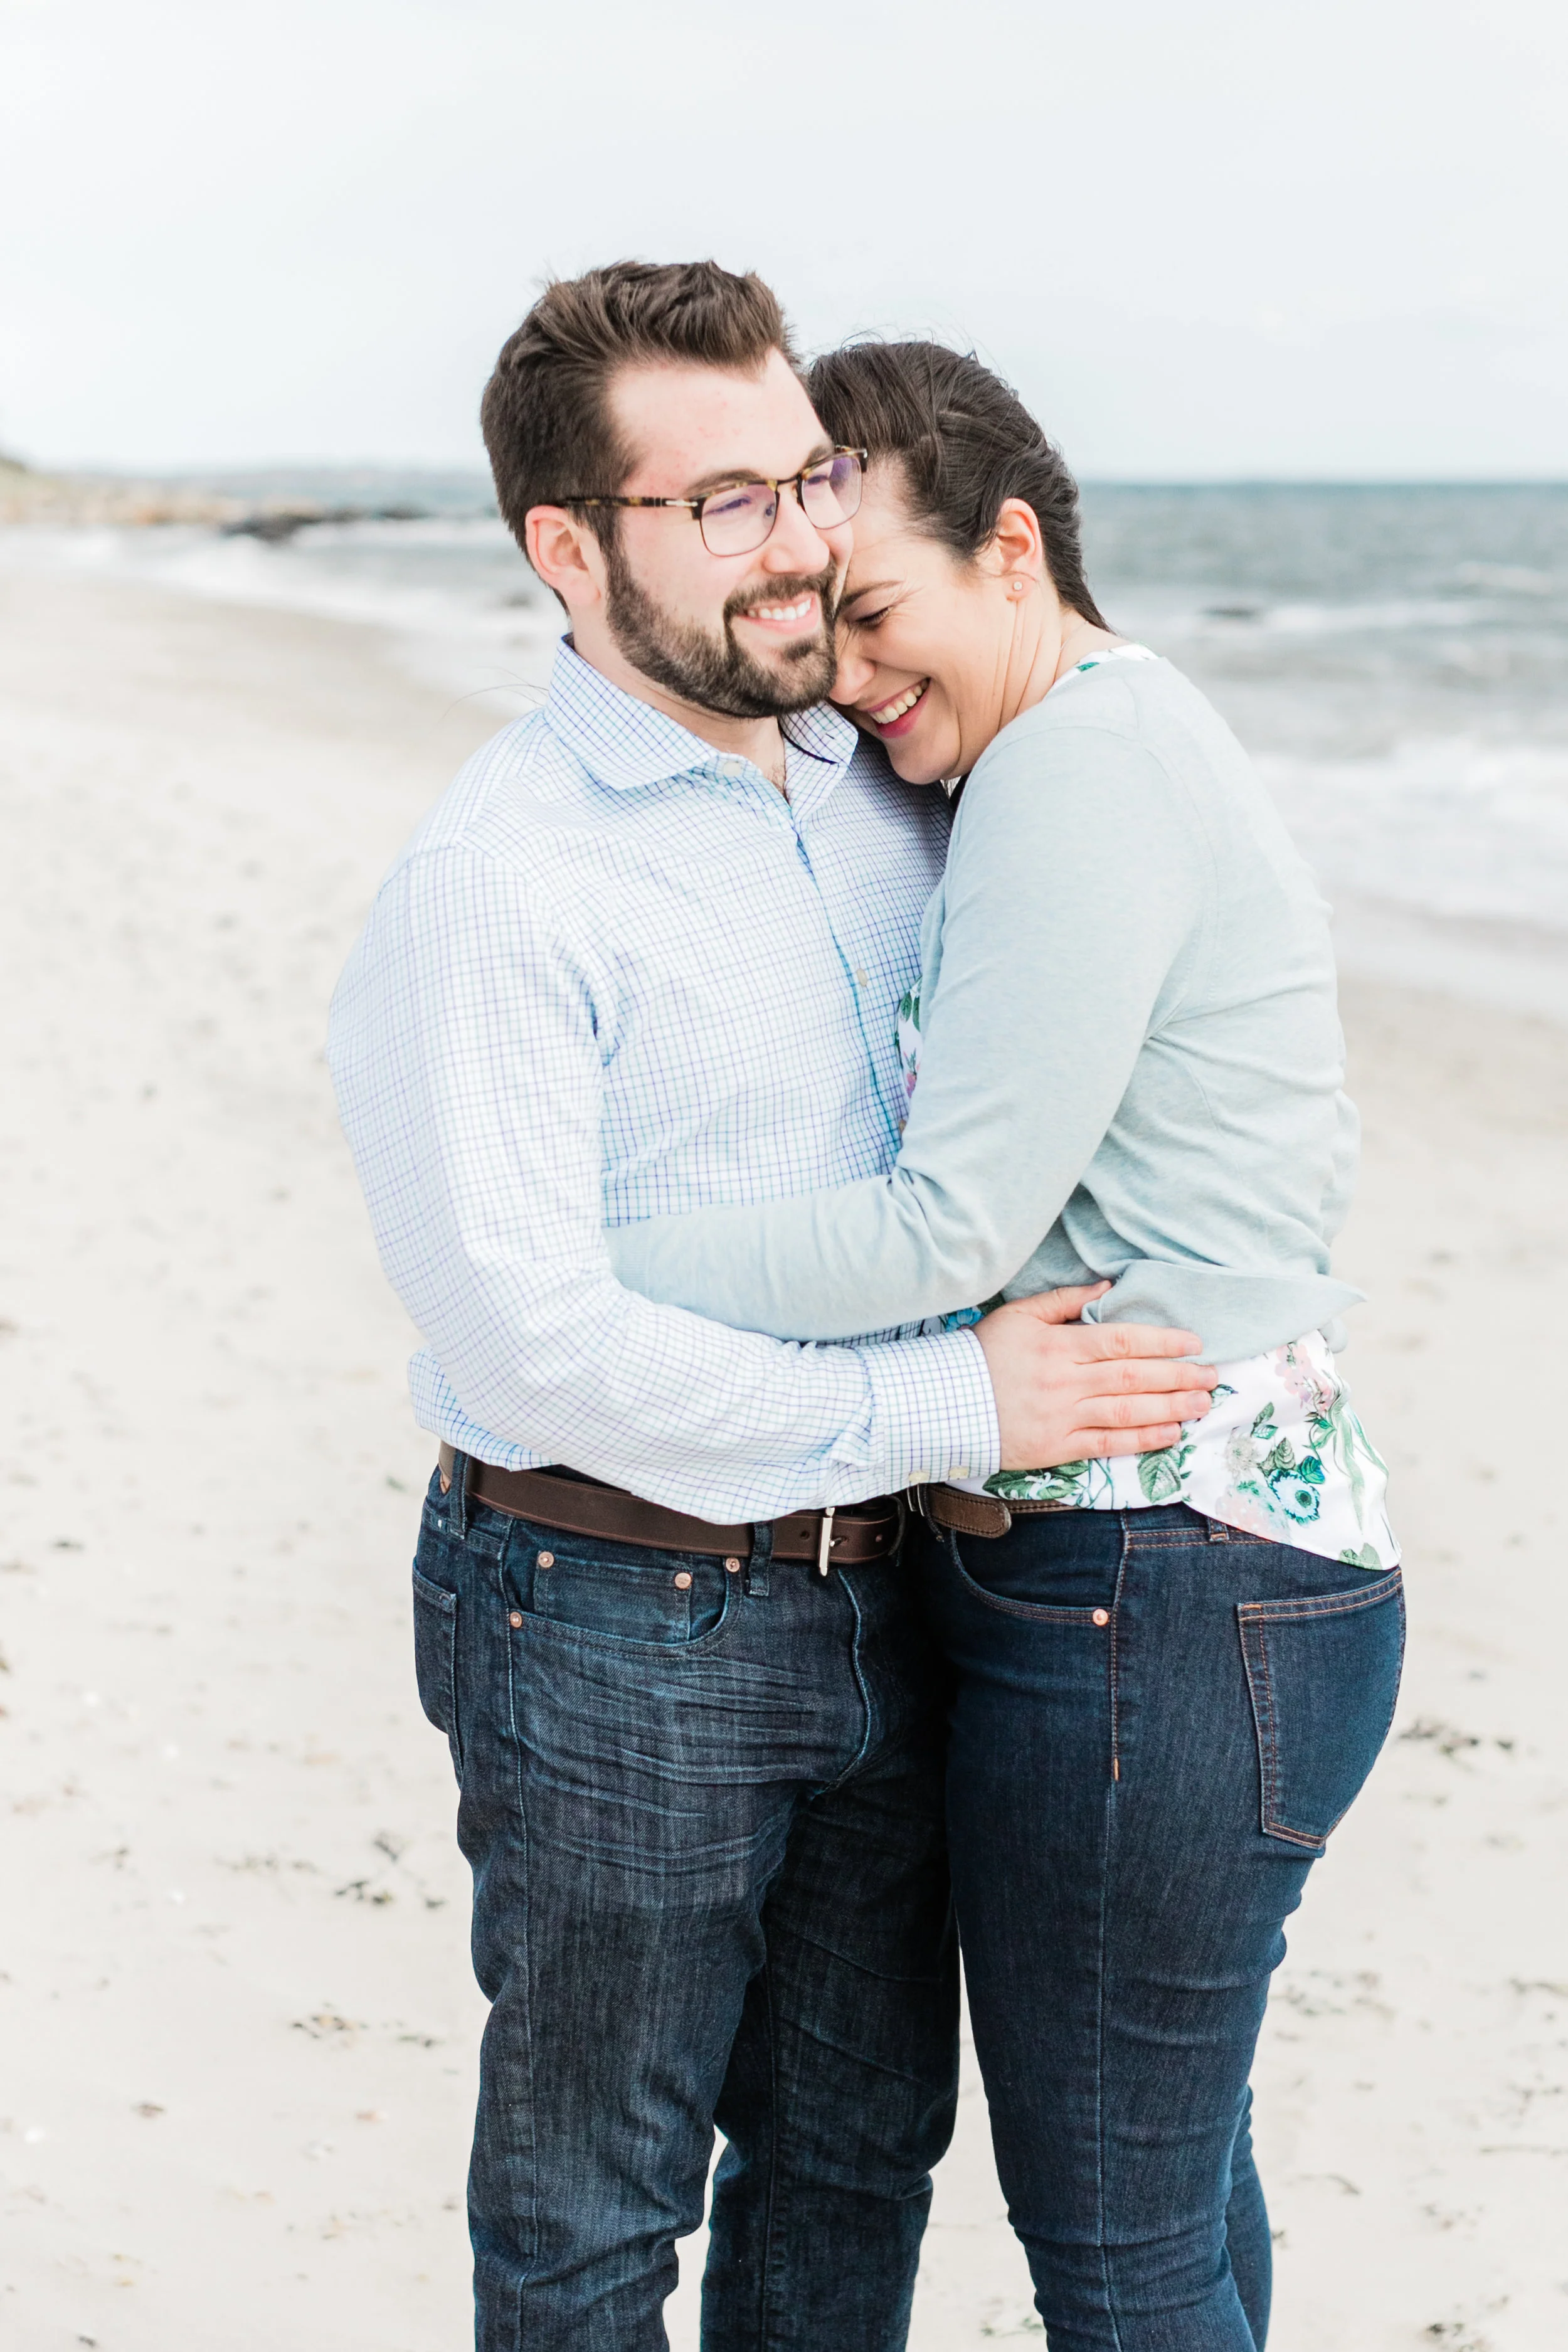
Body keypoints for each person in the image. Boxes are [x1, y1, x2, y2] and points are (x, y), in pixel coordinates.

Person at [327, 263, 1216, 2352]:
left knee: (851, 2154)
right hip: (610, 1605)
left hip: (892, 1599)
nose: (803, 537)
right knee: (590, 2212)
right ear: (567, 548)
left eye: (806, 473)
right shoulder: (498, 884)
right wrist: (952, 1404)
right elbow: (537, 1340)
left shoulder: (884, 778)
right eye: (721, 502)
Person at [608, 341, 1404, 2351]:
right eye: (815, 631)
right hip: (1195, 1574)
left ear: (1014, 545)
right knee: (1175, 2193)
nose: (855, 683)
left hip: (1155, 1581)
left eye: (872, 614)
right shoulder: (1096, 745)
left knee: (1125, 2248)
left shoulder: (1076, 769)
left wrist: (596, 1255)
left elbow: (937, 1224)